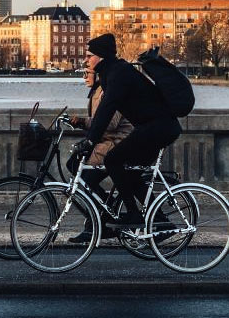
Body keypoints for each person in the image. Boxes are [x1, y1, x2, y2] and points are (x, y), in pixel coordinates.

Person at [73, 33, 181, 226]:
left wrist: (90, 140)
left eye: (89, 56)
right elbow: (105, 112)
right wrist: (92, 138)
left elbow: (107, 110)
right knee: (129, 175)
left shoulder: (118, 74)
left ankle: (133, 215)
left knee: (113, 160)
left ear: (101, 57)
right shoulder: (113, 73)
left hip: (158, 128)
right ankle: (160, 221)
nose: (86, 60)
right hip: (156, 127)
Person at [66, 65, 133, 243]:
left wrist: (83, 122)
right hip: (106, 142)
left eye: (87, 73)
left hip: (115, 143)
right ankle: (102, 213)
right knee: (72, 165)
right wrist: (80, 122)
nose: (84, 77)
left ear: (99, 75)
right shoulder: (98, 91)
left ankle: (98, 221)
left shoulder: (108, 91)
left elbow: (110, 123)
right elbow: (99, 122)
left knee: (87, 179)